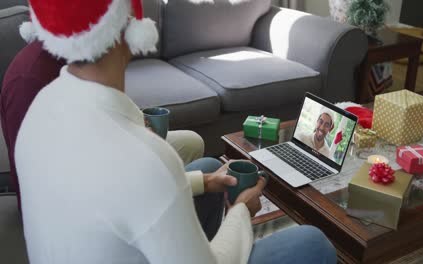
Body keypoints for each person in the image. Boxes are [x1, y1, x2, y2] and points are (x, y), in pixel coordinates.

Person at [14, 0, 337, 263]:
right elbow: (134, 184)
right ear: (128, 25)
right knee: (312, 243)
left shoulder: (40, 108)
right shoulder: (145, 160)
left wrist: (202, 182)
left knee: (210, 169)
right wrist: (240, 213)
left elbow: (108, 195)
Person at [1, 41, 204, 215]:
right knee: (208, 171)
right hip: (70, 202)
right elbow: (54, 180)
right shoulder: (29, 81)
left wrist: (132, 126)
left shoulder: (77, 54)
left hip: (98, 156)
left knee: (191, 142)